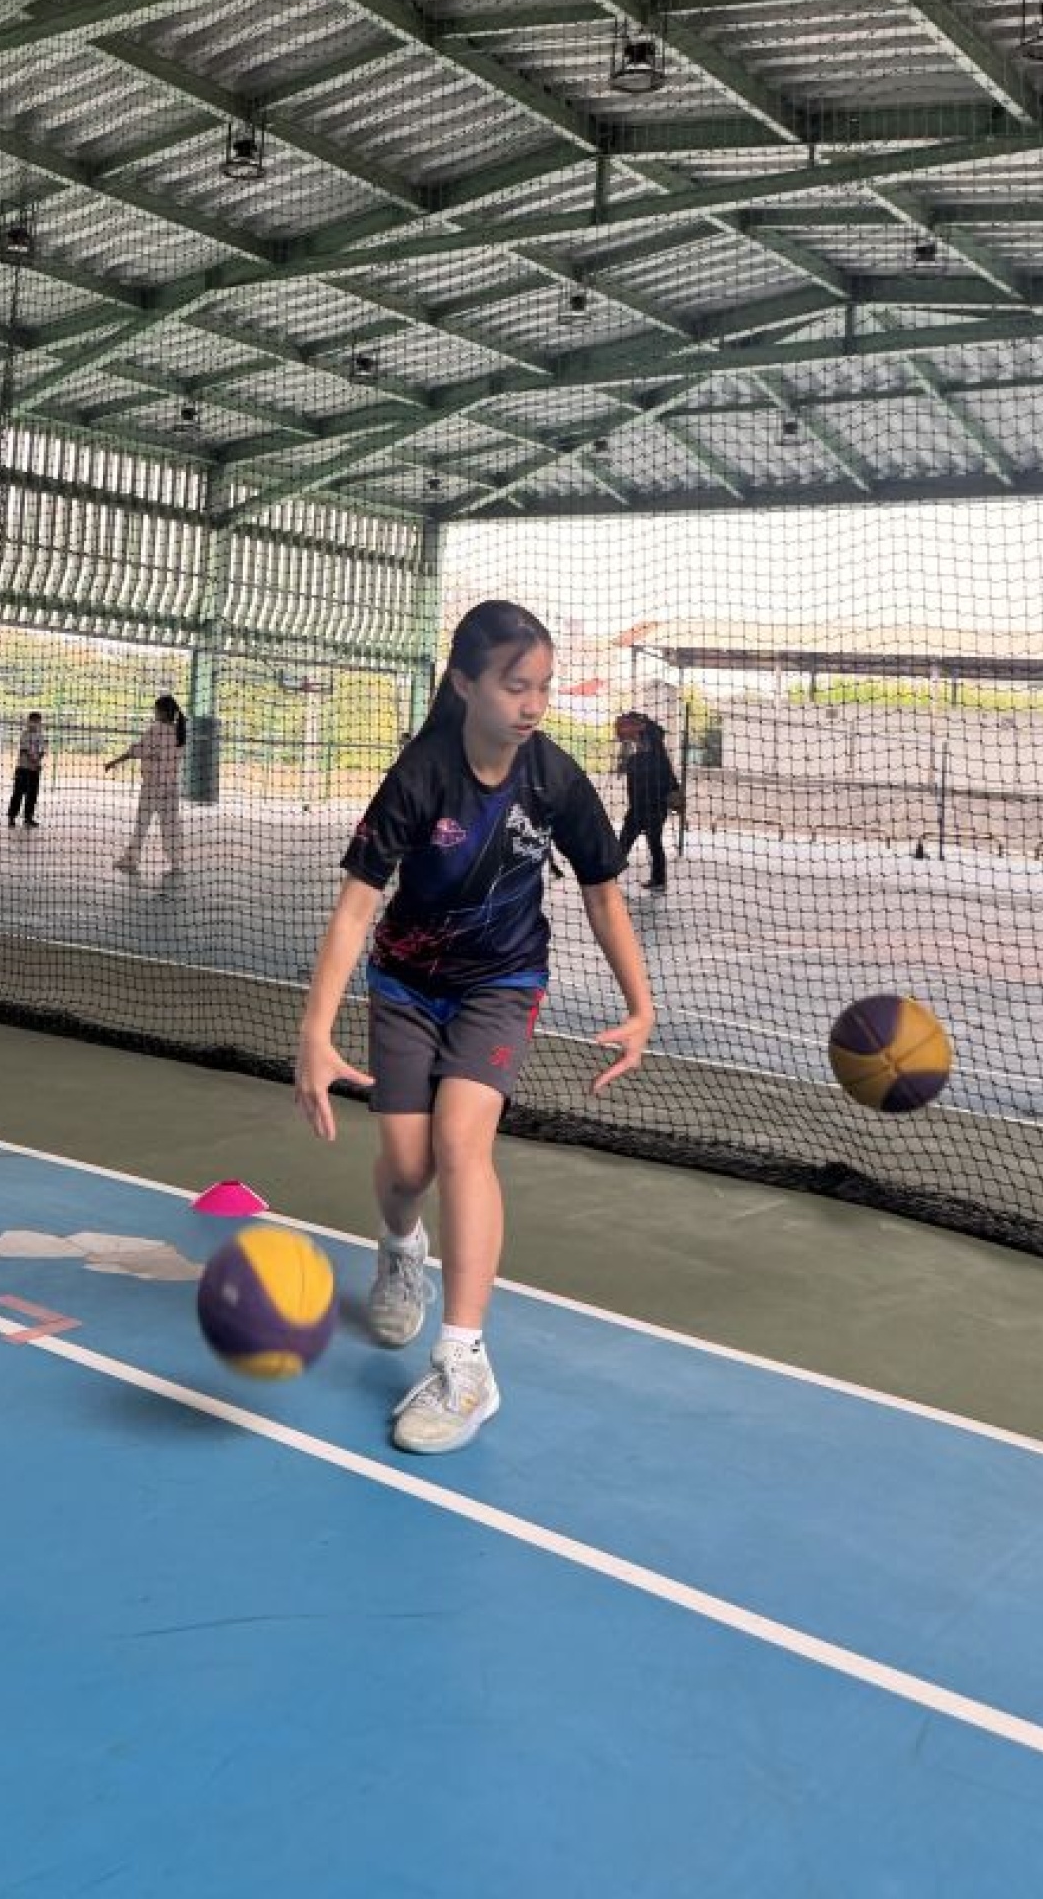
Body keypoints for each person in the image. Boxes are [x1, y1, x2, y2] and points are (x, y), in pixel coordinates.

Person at [293, 601, 653, 1456]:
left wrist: (641, 1008)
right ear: (464, 684)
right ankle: (399, 1247)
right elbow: (355, 909)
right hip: (407, 985)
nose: (533, 704)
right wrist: (315, 1031)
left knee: (461, 1143)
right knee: (407, 1167)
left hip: (503, 983)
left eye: (544, 687)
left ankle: (464, 1363)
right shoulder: (421, 776)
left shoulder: (555, 778)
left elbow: (604, 896)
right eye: (514, 685)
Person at [105, 694, 186, 876]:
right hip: (171, 787)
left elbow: (137, 751)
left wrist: (114, 762)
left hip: (152, 787)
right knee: (171, 825)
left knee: (141, 824)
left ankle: (131, 860)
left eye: (156, 710)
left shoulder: (156, 730)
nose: (154, 713)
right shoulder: (179, 732)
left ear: (163, 712)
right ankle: (176, 862)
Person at [617, 712, 679, 892]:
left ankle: (658, 880)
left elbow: (655, 731)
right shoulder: (639, 758)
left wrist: (640, 721)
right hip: (639, 808)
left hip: (652, 808)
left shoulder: (656, 756)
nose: (638, 741)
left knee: (649, 842)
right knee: (627, 842)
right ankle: (656, 880)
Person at [8, 712, 48, 828]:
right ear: (29, 721)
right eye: (33, 721)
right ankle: (12, 817)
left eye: (37, 721)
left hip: (34, 770)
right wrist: (35, 761)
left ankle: (28, 818)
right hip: (23, 768)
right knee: (18, 793)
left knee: (32, 795)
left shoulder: (40, 735)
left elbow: (42, 751)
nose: (35, 724)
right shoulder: (24, 734)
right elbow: (25, 751)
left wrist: (38, 761)